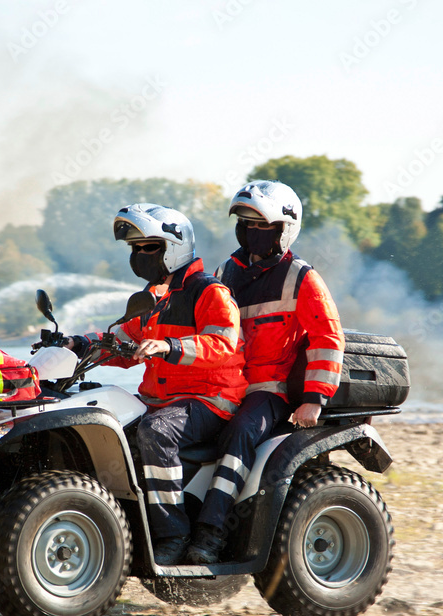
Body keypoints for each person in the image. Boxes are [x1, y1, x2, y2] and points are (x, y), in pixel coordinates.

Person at [68, 203, 247, 565]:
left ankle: (173, 532)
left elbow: (222, 343)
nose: (139, 255)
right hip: (164, 398)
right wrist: (78, 345)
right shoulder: (154, 299)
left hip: (211, 398)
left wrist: (170, 346)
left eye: (148, 247)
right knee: (102, 420)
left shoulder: (210, 293)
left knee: (156, 431)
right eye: (134, 249)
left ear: (175, 246)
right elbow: (119, 341)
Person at [185, 180, 346, 564]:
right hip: (225, 385)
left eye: (263, 225)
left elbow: (327, 337)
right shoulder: (225, 271)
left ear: (284, 229)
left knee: (240, 433)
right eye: (246, 223)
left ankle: (211, 532)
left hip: (269, 390)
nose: (253, 232)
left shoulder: (301, 276)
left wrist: (314, 400)